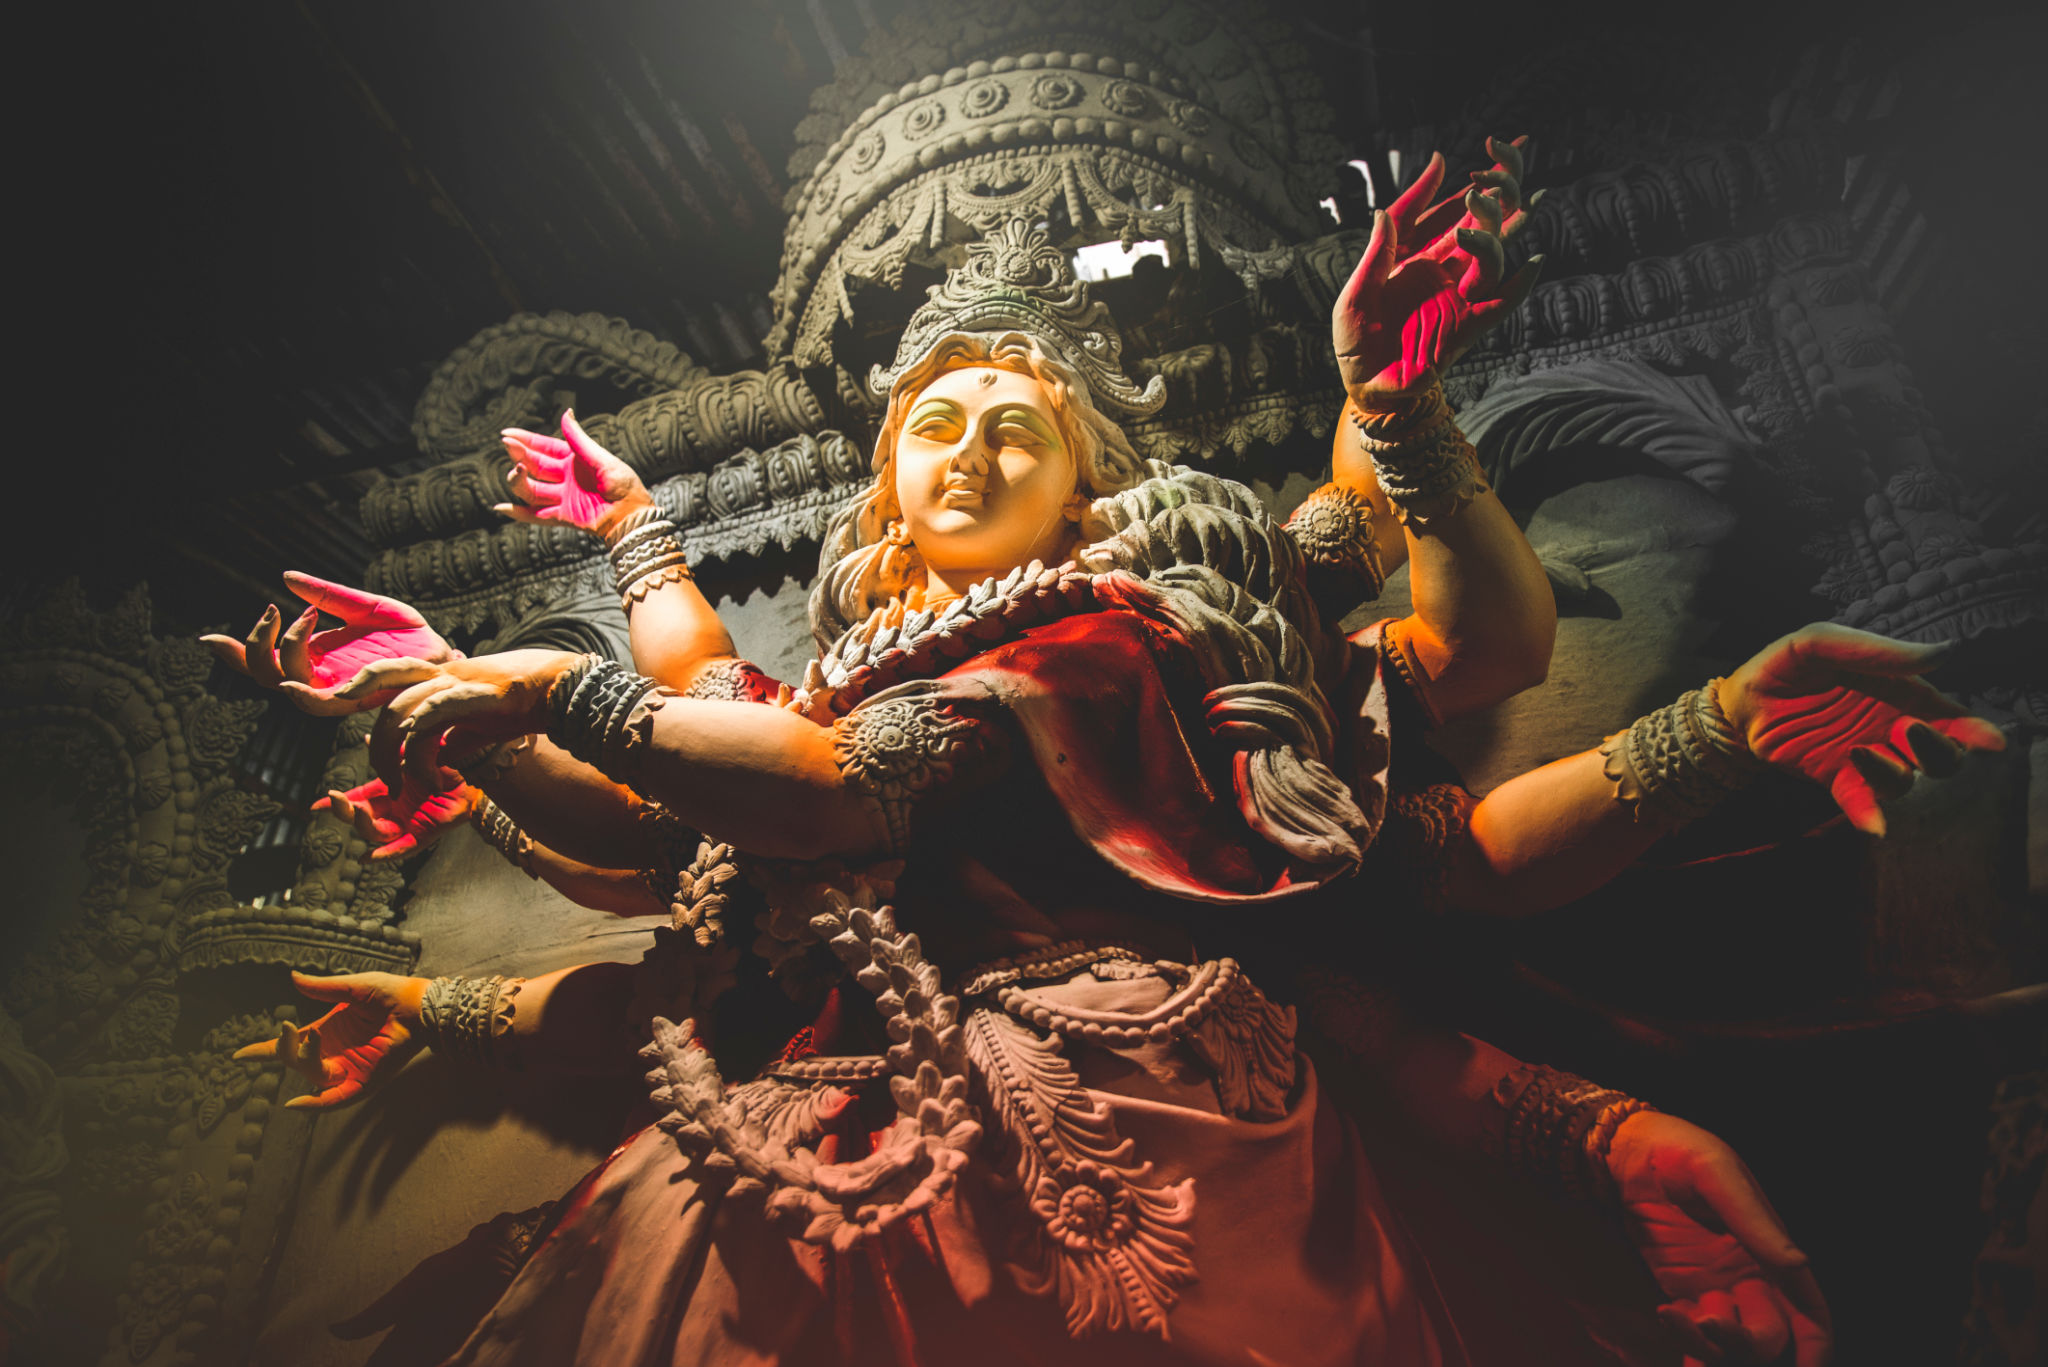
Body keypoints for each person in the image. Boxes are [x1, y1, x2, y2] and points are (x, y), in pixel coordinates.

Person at [213, 141, 2001, 1366]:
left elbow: (1464, 736)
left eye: (1020, 423)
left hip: (1146, 1116)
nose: (973, 445)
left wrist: (1406, 421)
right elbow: (642, 878)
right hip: (791, 1148)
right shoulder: (813, 695)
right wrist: (466, 704)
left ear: (1097, 487)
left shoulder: (1131, 637)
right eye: (936, 421)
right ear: (883, 486)